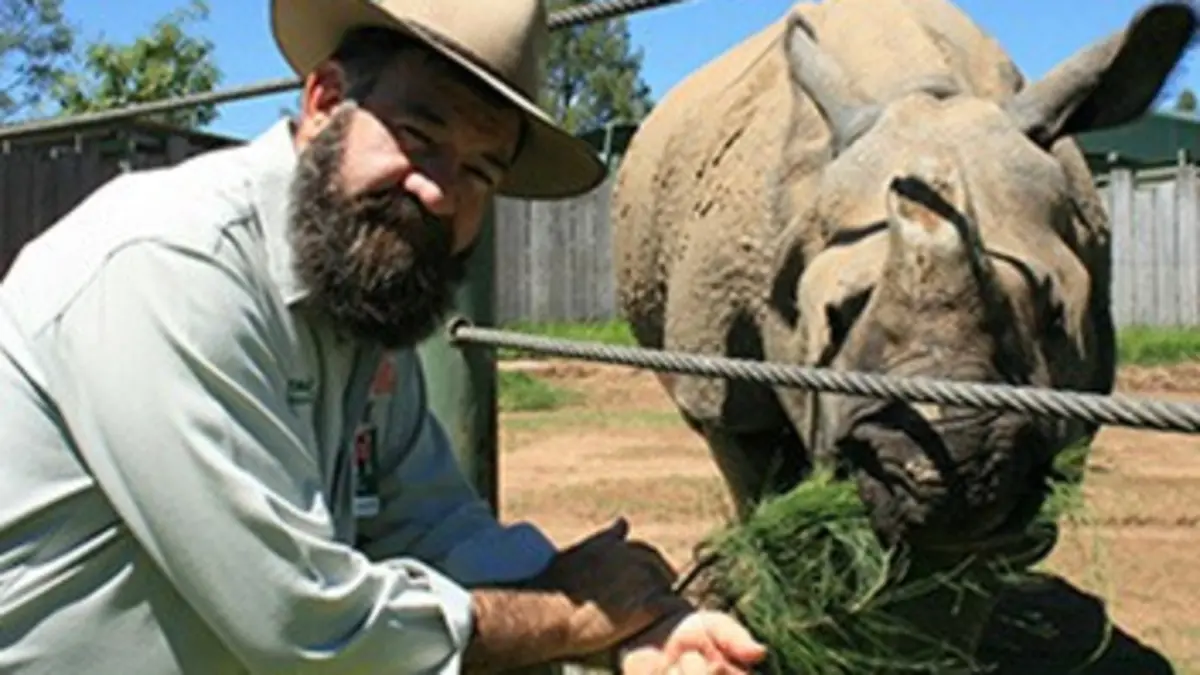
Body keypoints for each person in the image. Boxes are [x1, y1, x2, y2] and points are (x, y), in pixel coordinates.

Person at [0, 0, 769, 673]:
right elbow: (300, 623)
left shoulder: (354, 302)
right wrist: (573, 617)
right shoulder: (173, 267)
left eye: (480, 170)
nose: (439, 191)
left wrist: (646, 624)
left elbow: (432, 519)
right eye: (418, 134)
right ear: (324, 102)